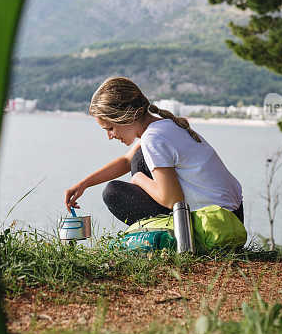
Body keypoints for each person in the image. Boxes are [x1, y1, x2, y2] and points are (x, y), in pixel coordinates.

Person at [64, 76, 244, 226]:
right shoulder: (164, 126)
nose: (110, 136)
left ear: (127, 116)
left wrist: (138, 179)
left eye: (110, 129)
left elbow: (172, 200)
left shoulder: (153, 139)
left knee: (113, 193)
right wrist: (84, 183)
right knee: (137, 159)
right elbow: (127, 161)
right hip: (232, 219)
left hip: (213, 226)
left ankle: (172, 241)